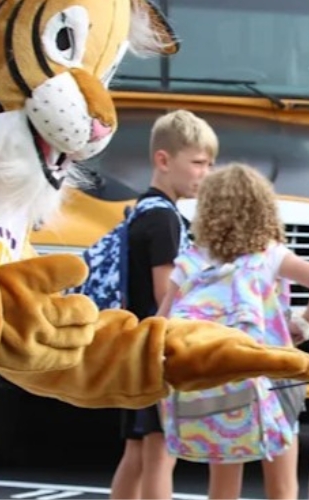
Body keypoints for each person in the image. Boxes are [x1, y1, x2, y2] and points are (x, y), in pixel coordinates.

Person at [158, 164, 309, 500]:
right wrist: (303, 325)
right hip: (271, 377)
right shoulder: (270, 256)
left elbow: (162, 321)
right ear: (262, 209)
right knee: (282, 484)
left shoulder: (191, 262)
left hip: (217, 378)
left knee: (222, 485)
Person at [109, 109, 215, 500]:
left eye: (210, 164)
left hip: (135, 346)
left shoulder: (141, 209)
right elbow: (165, 293)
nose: (205, 173)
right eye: (198, 163)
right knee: (160, 453)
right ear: (164, 160)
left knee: (138, 452)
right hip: (157, 350)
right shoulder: (165, 220)